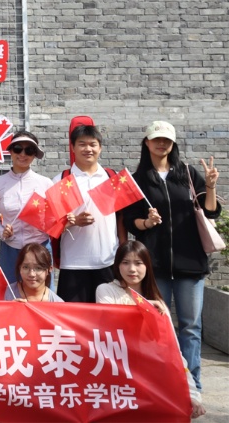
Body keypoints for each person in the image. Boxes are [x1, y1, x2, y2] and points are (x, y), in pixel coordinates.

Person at [124, 120, 222, 391]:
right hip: (154, 266)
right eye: (156, 139)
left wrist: (211, 186)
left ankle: (193, 387)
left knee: (190, 327)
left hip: (190, 264)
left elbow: (210, 211)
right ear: (147, 142)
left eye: (166, 140)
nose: (161, 144)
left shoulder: (188, 174)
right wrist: (147, 222)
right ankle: (161, 385)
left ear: (173, 144)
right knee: (156, 326)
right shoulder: (137, 181)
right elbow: (131, 221)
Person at [96, 240, 206, 419]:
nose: (132, 269)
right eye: (125, 262)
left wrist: (192, 395)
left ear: (147, 266)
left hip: (151, 375)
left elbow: (174, 351)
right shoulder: (106, 291)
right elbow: (113, 322)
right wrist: (145, 307)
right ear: (117, 266)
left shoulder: (158, 303)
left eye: (138, 263)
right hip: (118, 374)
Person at [54, 123, 120, 303]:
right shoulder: (62, 180)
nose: (88, 149)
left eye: (93, 144)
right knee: (73, 316)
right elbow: (52, 226)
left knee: (108, 316)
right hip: (73, 263)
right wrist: (73, 221)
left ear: (100, 148)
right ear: (73, 147)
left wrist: (122, 251)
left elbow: (121, 218)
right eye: (82, 144)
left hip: (108, 260)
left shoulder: (111, 177)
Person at [0, 131, 53, 283]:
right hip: (10, 249)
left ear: (35, 155)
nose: (23, 154)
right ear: (10, 151)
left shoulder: (45, 183)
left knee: (42, 294)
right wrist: (2, 232)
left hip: (40, 246)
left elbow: (53, 217)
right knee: (11, 292)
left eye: (29, 150)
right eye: (18, 149)